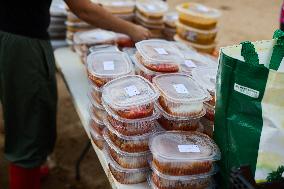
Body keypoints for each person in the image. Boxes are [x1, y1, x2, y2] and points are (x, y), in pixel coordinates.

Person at [0, 0, 151, 189]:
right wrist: (133, 29)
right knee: (28, 126)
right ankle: (26, 174)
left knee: (28, 114)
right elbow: (84, 9)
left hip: (17, 36)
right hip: (22, 45)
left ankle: (33, 169)